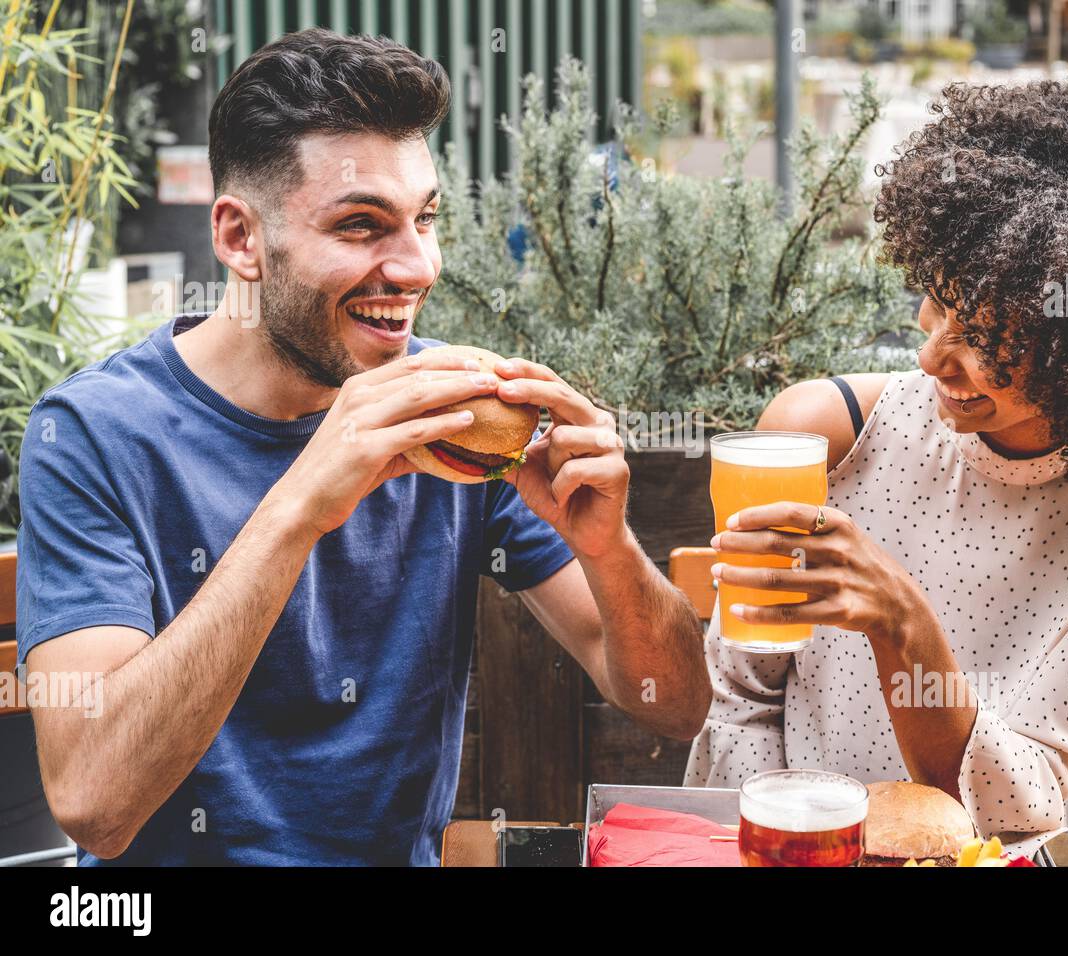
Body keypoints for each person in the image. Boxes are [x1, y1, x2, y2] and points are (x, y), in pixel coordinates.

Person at [15, 29, 709, 866]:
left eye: (425, 219)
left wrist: (611, 549)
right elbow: (95, 804)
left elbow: (672, 708)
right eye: (361, 226)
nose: (416, 265)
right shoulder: (93, 435)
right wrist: (302, 503)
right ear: (240, 240)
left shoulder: (452, 418)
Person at [684, 75, 1068, 855]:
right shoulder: (827, 432)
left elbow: (1033, 795)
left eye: (986, 339)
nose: (931, 356)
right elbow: (741, 702)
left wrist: (902, 622)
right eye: (936, 304)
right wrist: (782, 844)